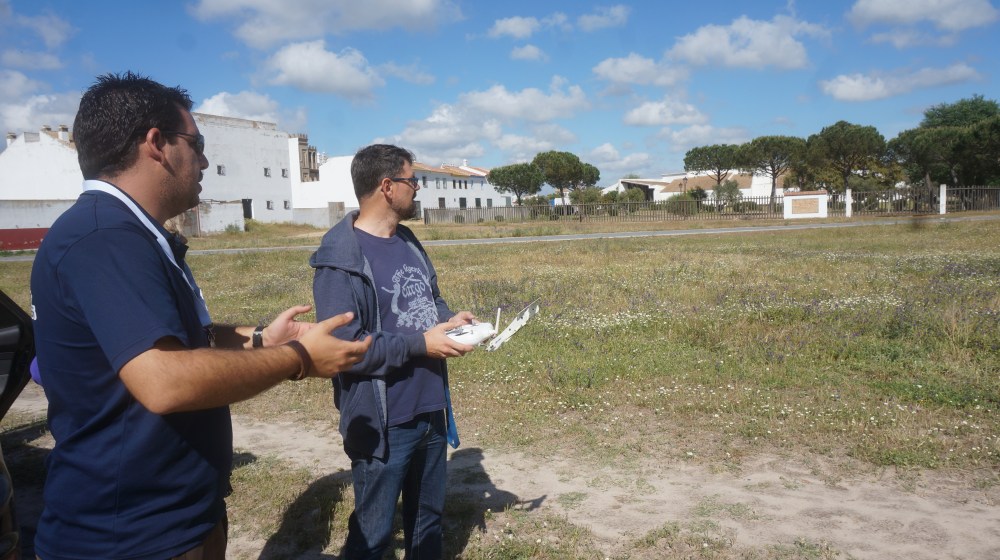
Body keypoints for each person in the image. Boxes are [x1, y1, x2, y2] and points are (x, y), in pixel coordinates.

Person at [29, 72, 372, 560]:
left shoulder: (129, 233)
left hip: (174, 519)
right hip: (131, 537)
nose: (205, 159)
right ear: (156, 144)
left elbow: (172, 338)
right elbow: (164, 379)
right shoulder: (105, 239)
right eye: (197, 142)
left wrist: (261, 339)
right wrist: (298, 357)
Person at [311, 144, 477, 559]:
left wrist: (451, 321)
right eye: (412, 180)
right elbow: (345, 348)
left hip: (429, 408)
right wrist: (423, 343)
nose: (417, 189)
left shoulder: (408, 240)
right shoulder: (340, 260)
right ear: (387, 186)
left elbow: (430, 300)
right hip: (383, 422)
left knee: (427, 523)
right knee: (373, 536)